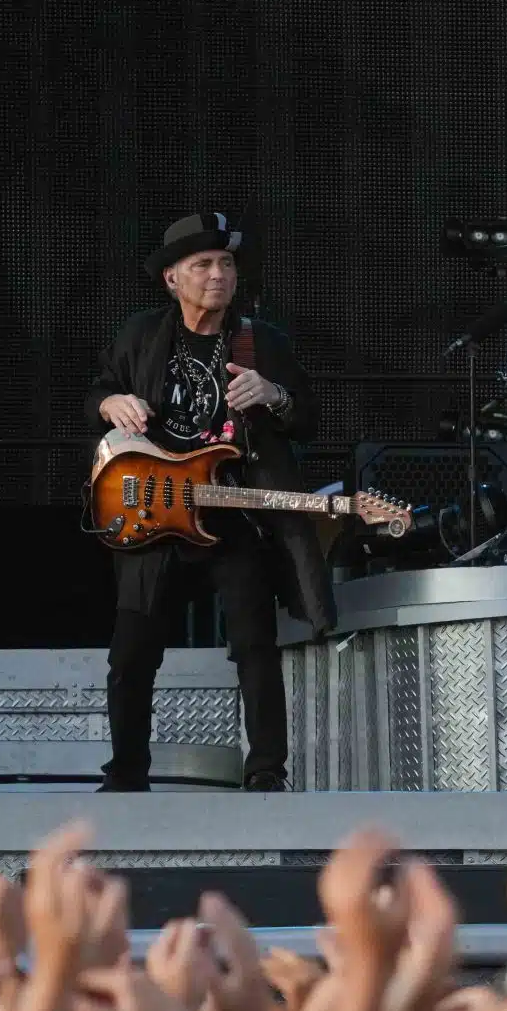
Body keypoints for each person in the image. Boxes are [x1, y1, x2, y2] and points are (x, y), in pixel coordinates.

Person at [83, 213, 334, 793]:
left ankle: (267, 772)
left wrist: (274, 396)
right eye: (203, 265)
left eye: (225, 263)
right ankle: (126, 774)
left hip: (230, 513)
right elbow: (96, 391)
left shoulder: (260, 340)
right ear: (173, 278)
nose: (218, 274)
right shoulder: (142, 335)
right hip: (153, 512)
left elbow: (309, 419)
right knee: (133, 650)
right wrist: (111, 403)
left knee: (254, 643)